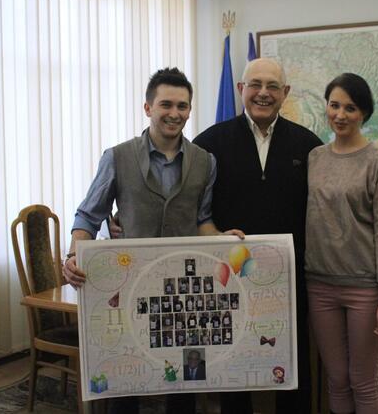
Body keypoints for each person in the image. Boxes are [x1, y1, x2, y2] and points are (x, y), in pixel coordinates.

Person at [193, 59, 378, 414]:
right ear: (241, 89)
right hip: (232, 279)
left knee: (297, 368)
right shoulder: (210, 142)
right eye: (255, 84)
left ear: (285, 93)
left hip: (295, 283)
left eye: (273, 86)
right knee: (235, 365)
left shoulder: (308, 146)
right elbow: (188, 196)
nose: (263, 93)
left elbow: (341, 198)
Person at [61, 67, 243, 414]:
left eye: (182, 106)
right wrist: (72, 256)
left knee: (186, 383)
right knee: (125, 382)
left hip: (184, 293)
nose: (175, 113)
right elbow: (88, 215)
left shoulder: (206, 162)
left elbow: (202, 221)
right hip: (130, 287)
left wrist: (223, 240)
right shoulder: (117, 157)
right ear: (148, 108)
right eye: (166, 105)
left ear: (189, 110)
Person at [305, 73, 378, 414]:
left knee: (363, 379)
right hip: (319, 285)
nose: (340, 115)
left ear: (364, 113)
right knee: (337, 377)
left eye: (350, 108)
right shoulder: (314, 157)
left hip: (364, 288)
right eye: (334, 105)